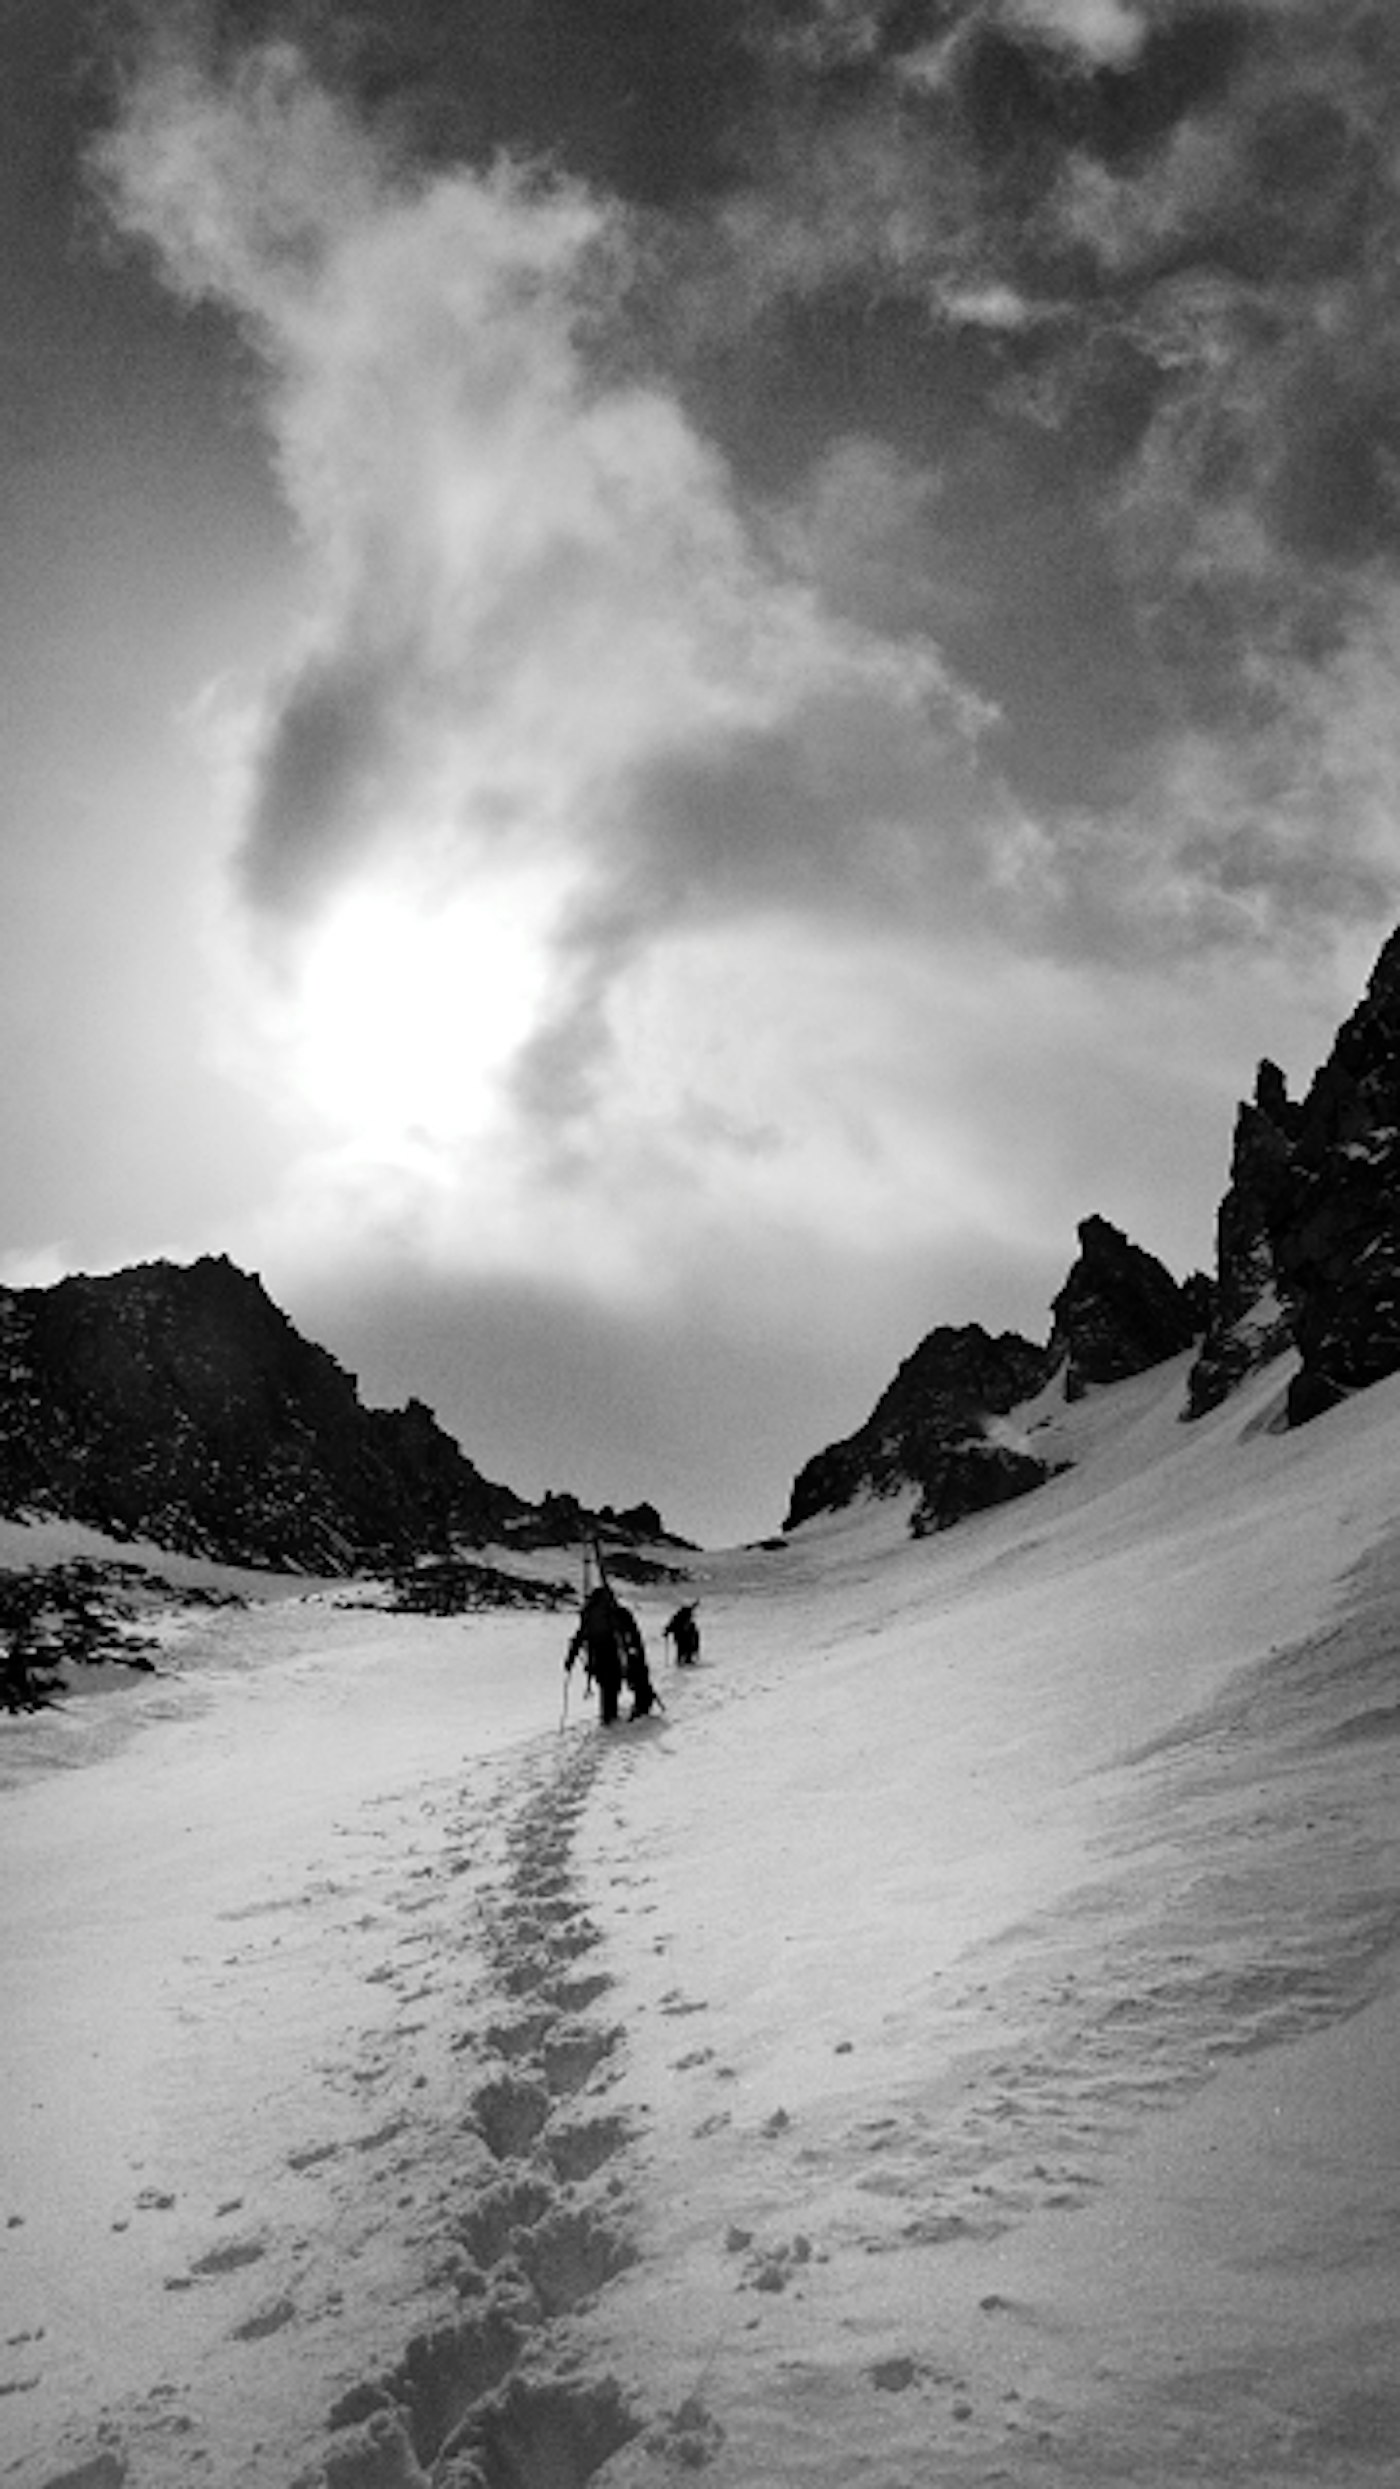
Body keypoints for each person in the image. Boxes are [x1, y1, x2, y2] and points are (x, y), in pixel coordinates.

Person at [566, 1582, 657, 1725]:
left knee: (607, 1687)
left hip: (597, 1656)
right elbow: (633, 1635)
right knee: (634, 1678)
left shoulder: (590, 1616)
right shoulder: (619, 1614)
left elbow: (580, 1636)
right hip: (617, 1654)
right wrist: (635, 1651)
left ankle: (608, 1716)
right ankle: (641, 1706)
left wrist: (570, 1658)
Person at [663, 1602, 701, 1666]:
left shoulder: (690, 1625)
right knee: (681, 1651)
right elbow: (670, 1627)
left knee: (688, 1651)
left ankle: (686, 1661)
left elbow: (696, 1636)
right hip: (681, 1639)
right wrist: (666, 1632)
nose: (691, 1617)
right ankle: (681, 1662)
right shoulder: (678, 1620)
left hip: (686, 1639)